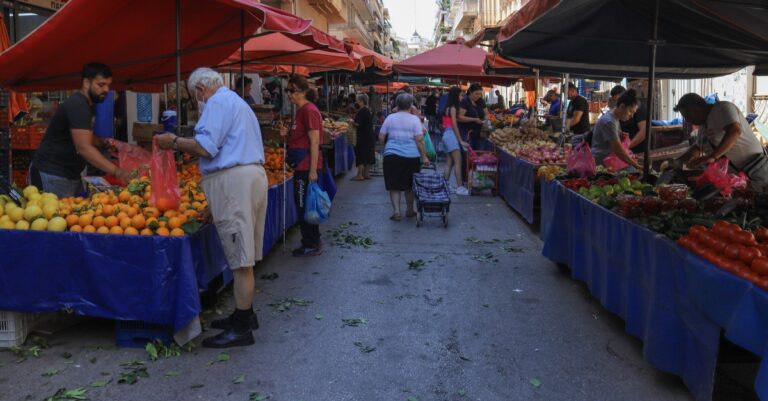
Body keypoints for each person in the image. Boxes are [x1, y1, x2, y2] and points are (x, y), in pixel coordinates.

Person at [155, 67, 267, 348]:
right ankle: (245, 315)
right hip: (249, 178)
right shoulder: (236, 102)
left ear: (200, 90)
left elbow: (206, 147)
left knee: (241, 259)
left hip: (235, 182)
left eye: (194, 97)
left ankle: (242, 328)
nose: (196, 101)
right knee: (244, 252)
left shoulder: (216, 102)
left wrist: (174, 142)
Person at [30, 62, 133, 197]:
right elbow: (83, 147)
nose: (106, 90)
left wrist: (101, 141)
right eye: (101, 85)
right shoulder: (78, 105)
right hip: (53, 174)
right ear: (86, 83)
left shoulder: (90, 104)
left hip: (70, 173)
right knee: (59, 216)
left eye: (108, 85)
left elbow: (83, 134)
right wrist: (117, 171)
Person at [674, 93, 768, 184]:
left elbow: (735, 131)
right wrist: (677, 162)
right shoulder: (703, 127)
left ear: (697, 107)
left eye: (687, 115)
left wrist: (712, 157)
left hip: (756, 168)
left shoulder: (722, 108)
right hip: (738, 177)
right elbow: (697, 148)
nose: (687, 120)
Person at [280, 75, 324, 256]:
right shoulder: (301, 111)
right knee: (303, 205)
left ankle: (311, 243)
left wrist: (313, 170)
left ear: (301, 91)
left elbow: (314, 141)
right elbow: (299, 139)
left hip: (306, 167)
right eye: (287, 91)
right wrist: (285, 135)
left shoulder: (309, 111)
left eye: (291, 91)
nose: (289, 95)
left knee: (304, 205)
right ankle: (311, 240)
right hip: (301, 166)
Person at [379, 93, 430, 221]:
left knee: (394, 185)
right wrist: (424, 157)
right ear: (410, 105)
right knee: (409, 185)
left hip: (391, 155)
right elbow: (420, 140)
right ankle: (409, 210)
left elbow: (381, 137)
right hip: (411, 156)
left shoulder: (390, 118)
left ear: (397, 104)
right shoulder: (414, 120)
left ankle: (396, 212)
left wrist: (385, 147)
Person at [591, 89, 642, 170]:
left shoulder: (614, 118)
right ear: (622, 106)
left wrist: (619, 135)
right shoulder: (610, 122)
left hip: (608, 162)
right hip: (602, 165)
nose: (632, 116)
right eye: (630, 112)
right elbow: (618, 151)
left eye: (633, 113)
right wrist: (636, 165)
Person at [441, 86, 470, 195]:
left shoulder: (447, 108)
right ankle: (459, 187)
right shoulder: (453, 108)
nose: (462, 97)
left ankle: (445, 185)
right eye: (461, 95)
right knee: (458, 162)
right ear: (456, 96)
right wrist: (460, 140)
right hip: (451, 135)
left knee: (449, 162)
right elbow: (454, 125)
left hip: (446, 135)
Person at [610, 85, 648, 154]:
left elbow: (644, 131)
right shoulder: (611, 117)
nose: (617, 103)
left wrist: (627, 146)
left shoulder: (637, 108)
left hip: (638, 150)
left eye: (618, 99)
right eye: (615, 101)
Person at [351, 94, 374, 181]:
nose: (356, 102)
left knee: (361, 154)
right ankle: (366, 173)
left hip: (363, 136)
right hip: (368, 135)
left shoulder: (362, 111)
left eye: (357, 100)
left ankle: (360, 175)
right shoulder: (366, 110)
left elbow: (358, 124)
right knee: (369, 154)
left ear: (361, 101)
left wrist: (351, 121)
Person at [458, 83, 487, 151]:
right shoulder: (465, 101)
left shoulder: (481, 101)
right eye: (476, 94)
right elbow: (459, 118)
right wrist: (474, 119)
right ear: (470, 92)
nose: (478, 96)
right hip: (467, 134)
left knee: (479, 154)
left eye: (480, 94)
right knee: (470, 156)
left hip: (479, 133)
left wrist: (485, 120)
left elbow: (486, 113)